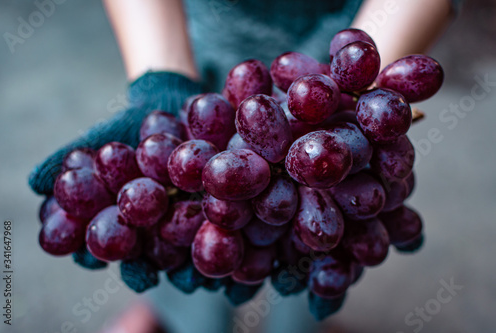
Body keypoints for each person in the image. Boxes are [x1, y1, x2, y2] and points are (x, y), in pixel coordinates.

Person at [29, 0, 461, 332]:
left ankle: (299, 324)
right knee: (189, 233)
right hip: (198, 58)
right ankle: (172, 315)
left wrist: (358, 77)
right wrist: (162, 78)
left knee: (308, 242)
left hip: (347, 55)